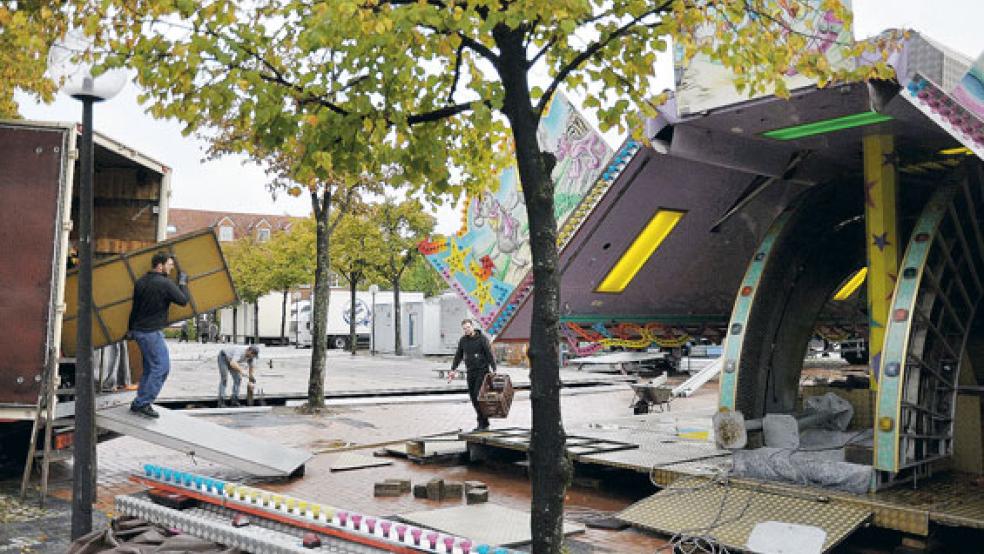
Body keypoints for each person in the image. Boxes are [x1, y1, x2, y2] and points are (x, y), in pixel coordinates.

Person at [127, 252, 190, 418]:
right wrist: (183, 282)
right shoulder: (165, 284)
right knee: (162, 367)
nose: (171, 267)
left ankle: (139, 401)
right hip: (151, 333)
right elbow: (183, 300)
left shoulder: (140, 282)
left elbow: (135, 309)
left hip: (139, 332)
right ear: (160, 265)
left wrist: (130, 329)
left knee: (149, 368)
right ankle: (143, 403)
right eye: (169, 264)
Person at [450, 318, 497, 431]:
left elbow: (489, 354)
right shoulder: (463, 340)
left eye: (468, 327)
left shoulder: (482, 339)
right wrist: (453, 369)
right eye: (464, 328)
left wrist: (494, 368)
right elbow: (458, 355)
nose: (466, 330)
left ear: (472, 326)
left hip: (482, 371)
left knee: (478, 395)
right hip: (470, 372)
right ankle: (484, 422)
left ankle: (482, 423)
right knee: (472, 397)